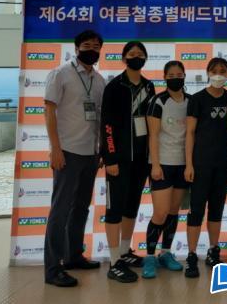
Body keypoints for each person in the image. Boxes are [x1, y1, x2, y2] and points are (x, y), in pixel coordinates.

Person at [43, 30, 106, 287]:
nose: (92, 49)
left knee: (80, 208)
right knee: (60, 210)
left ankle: (73, 256)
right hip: (67, 151)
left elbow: (99, 118)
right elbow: (49, 111)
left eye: (96, 46)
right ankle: (53, 268)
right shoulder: (60, 73)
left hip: (90, 153)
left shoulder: (99, 81)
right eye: (87, 45)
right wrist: (55, 148)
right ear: (77, 48)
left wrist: (100, 149)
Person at [100, 41, 156, 283]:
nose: (136, 57)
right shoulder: (114, 87)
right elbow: (107, 125)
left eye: (140, 54)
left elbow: (152, 123)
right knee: (114, 209)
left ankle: (125, 252)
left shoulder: (149, 86)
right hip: (119, 160)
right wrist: (110, 157)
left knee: (131, 206)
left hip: (142, 159)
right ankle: (114, 262)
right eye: (132, 54)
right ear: (124, 59)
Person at [184, 57, 227, 278]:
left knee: (216, 209)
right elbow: (190, 133)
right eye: (214, 71)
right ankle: (192, 255)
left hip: (224, 163)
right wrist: (189, 164)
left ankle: (213, 251)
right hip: (200, 164)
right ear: (208, 73)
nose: (218, 74)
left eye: (223, 71)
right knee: (196, 210)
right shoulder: (197, 99)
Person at [142, 61, 191, 279]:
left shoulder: (191, 101)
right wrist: (155, 164)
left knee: (173, 212)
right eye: (171, 75)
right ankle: (149, 256)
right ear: (164, 77)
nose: (175, 78)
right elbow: (152, 135)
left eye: (179, 74)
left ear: (184, 76)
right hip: (162, 164)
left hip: (183, 165)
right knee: (160, 213)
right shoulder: (158, 101)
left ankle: (166, 252)